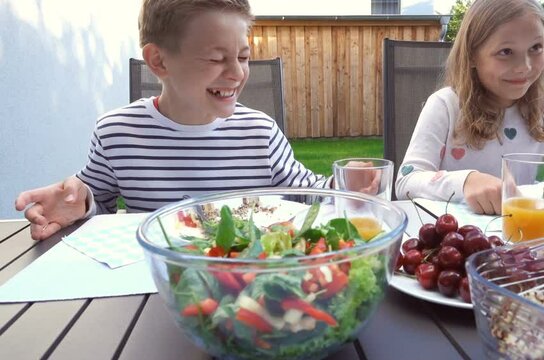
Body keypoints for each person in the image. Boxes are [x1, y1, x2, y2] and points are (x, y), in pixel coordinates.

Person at [15, 0, 333, 240]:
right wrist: (80, 205)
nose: (237, 73)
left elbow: (309, 193)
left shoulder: (260, 133)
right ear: (159, 60)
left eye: (243, 57)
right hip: (154, 287)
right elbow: (99, 204)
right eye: (215, 59)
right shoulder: (117, 133)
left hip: (245, 283)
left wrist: (350, 187)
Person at [395, 0, 544, 215]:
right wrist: (467, 181)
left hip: (523, 243)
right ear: (471, 56)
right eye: (505, 52)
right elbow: (407, 181)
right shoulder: (446, 106)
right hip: (456, 247)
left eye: (536, 48)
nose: (524, 66)